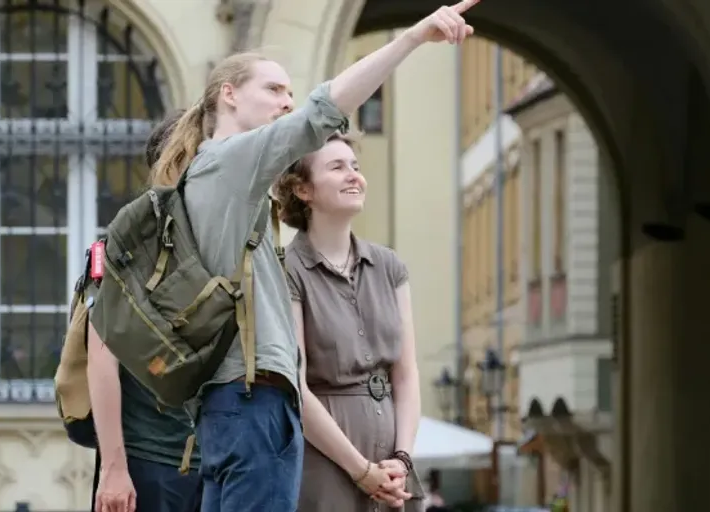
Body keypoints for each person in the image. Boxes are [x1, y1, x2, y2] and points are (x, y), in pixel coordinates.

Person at [148, 1, 482, 510]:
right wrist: (412, 37)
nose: (287, 103)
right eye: (274, 90)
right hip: (255, 403)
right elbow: (324, 109)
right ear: (229, 95)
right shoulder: (231, 161)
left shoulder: (212, 173)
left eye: (289, 92)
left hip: (227, 407)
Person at [275, 131, 420, 511]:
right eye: (337, 167)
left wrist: (401, 459)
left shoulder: (389, 266)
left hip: (393, 469)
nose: (354, 175)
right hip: (326, 465)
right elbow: (296, 387)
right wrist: (361, 471)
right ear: (302, 190)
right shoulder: (288, 271)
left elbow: (406, 374)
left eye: (355, 166)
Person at [88, 110, 203, 512]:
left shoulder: (227, 242)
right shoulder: (128, 242)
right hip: (150, 462)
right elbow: (101, 361)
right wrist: (114, 469)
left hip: (220, 462)